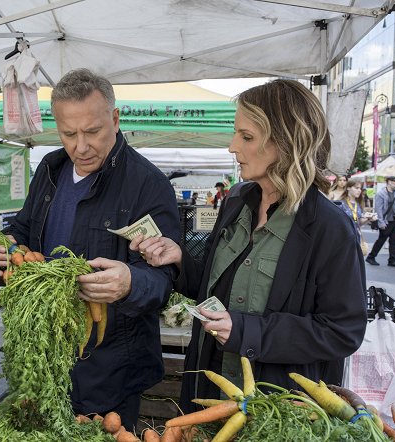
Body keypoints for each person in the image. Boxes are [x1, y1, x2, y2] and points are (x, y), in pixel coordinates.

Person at [130, 80, 367, 413]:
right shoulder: (237, 202)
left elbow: (343, 332)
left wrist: (247, 332)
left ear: (285, 143)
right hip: (208, 393)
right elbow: (216, 288)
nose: (231, 146)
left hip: (277, 412)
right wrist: (181, 259)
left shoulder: (329, 228)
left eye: (247, 137)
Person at [0, 68, 181, 429]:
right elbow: (23, 228)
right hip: (44, 353)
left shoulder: (147, 184)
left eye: (92, 131)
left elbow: (165, 278)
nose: (80, 146)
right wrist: (3, 247)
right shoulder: (50, 168)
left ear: (115, 119)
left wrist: (131, 283)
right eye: (68, 133)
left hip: (111, 368)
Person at [365, 176, 395, 267]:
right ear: (389, 182)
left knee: (394, 241)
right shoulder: (381, 194)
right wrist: (381, 222)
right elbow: (378, 209)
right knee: (381, 240)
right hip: (386, 221)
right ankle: (371, 257)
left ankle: (392, 260)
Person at [336, 179, 376, 256]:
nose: (359, 190)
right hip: (343, 237)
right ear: (348, 188)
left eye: (360, 188)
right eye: (356, 188)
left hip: (356, 237)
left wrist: (369, 218)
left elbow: (358, 222)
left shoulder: (359, 204)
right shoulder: (341, 203)